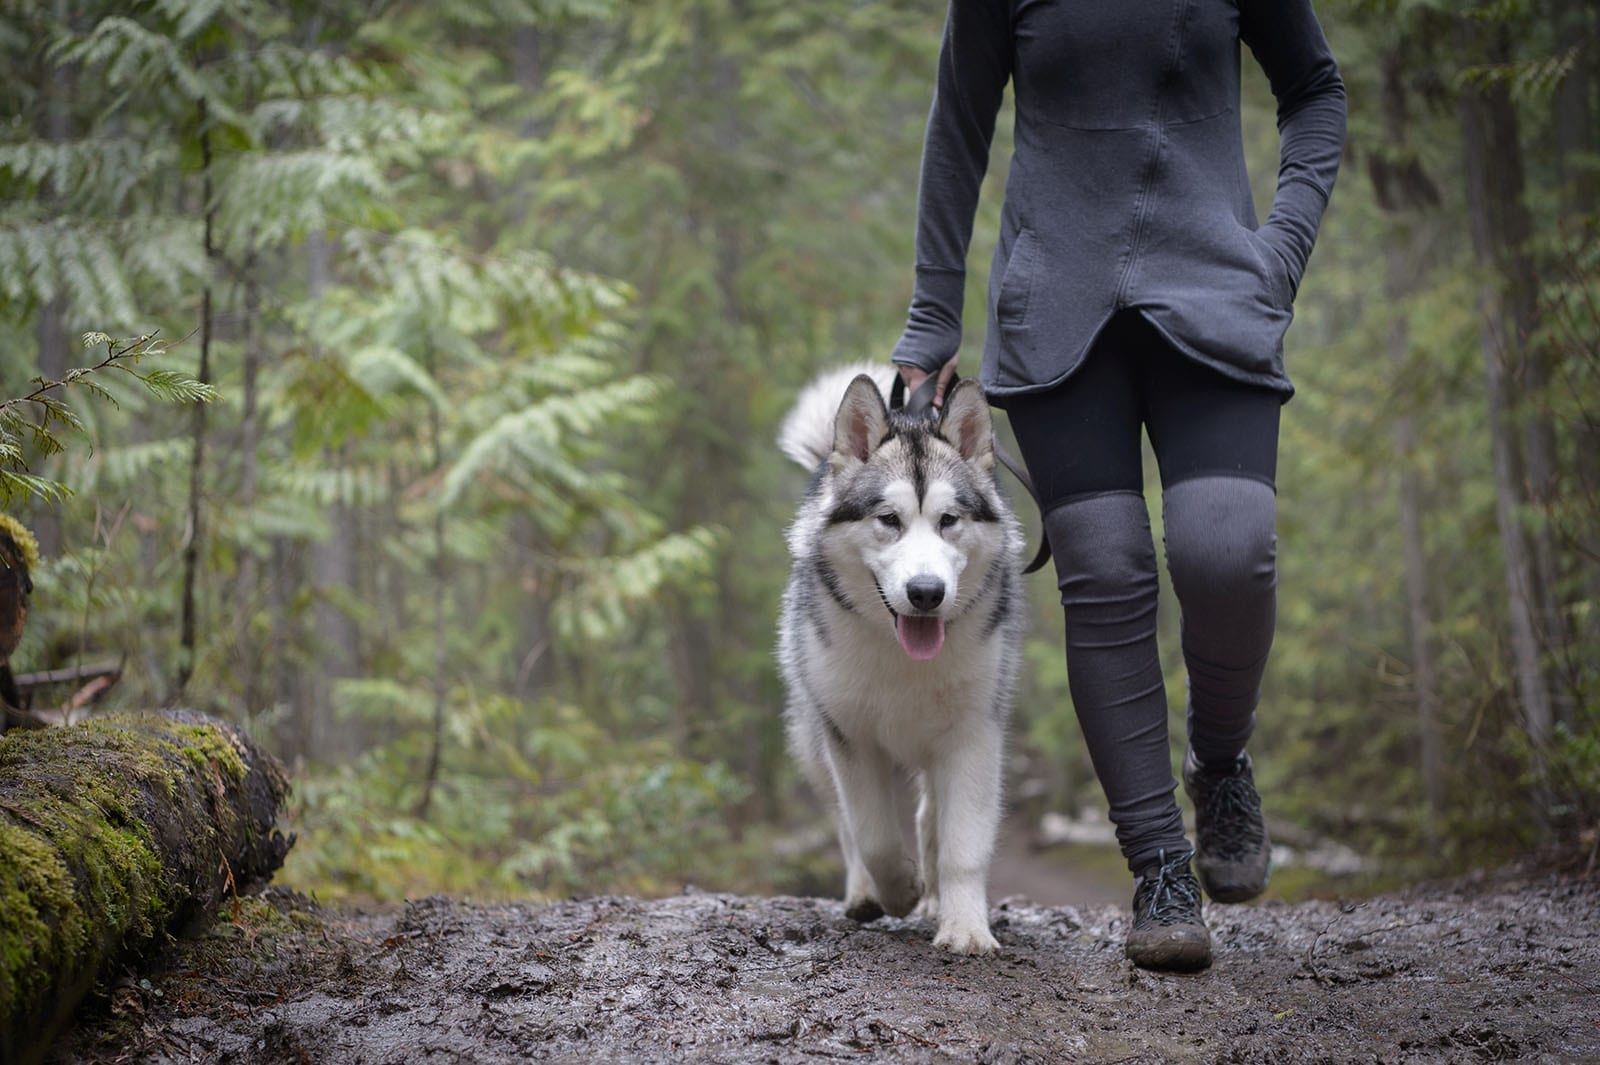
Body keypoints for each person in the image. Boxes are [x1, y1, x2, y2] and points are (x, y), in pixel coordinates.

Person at [891, 1, 1346, 971]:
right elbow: (958, 124)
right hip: (1053, 304)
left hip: (1220, 295)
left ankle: (1217, 763)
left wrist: (1280, 253)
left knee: (1225, 547)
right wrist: (932, 317)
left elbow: (1314, 92)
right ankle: (1159, 870)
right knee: (1103, 570)